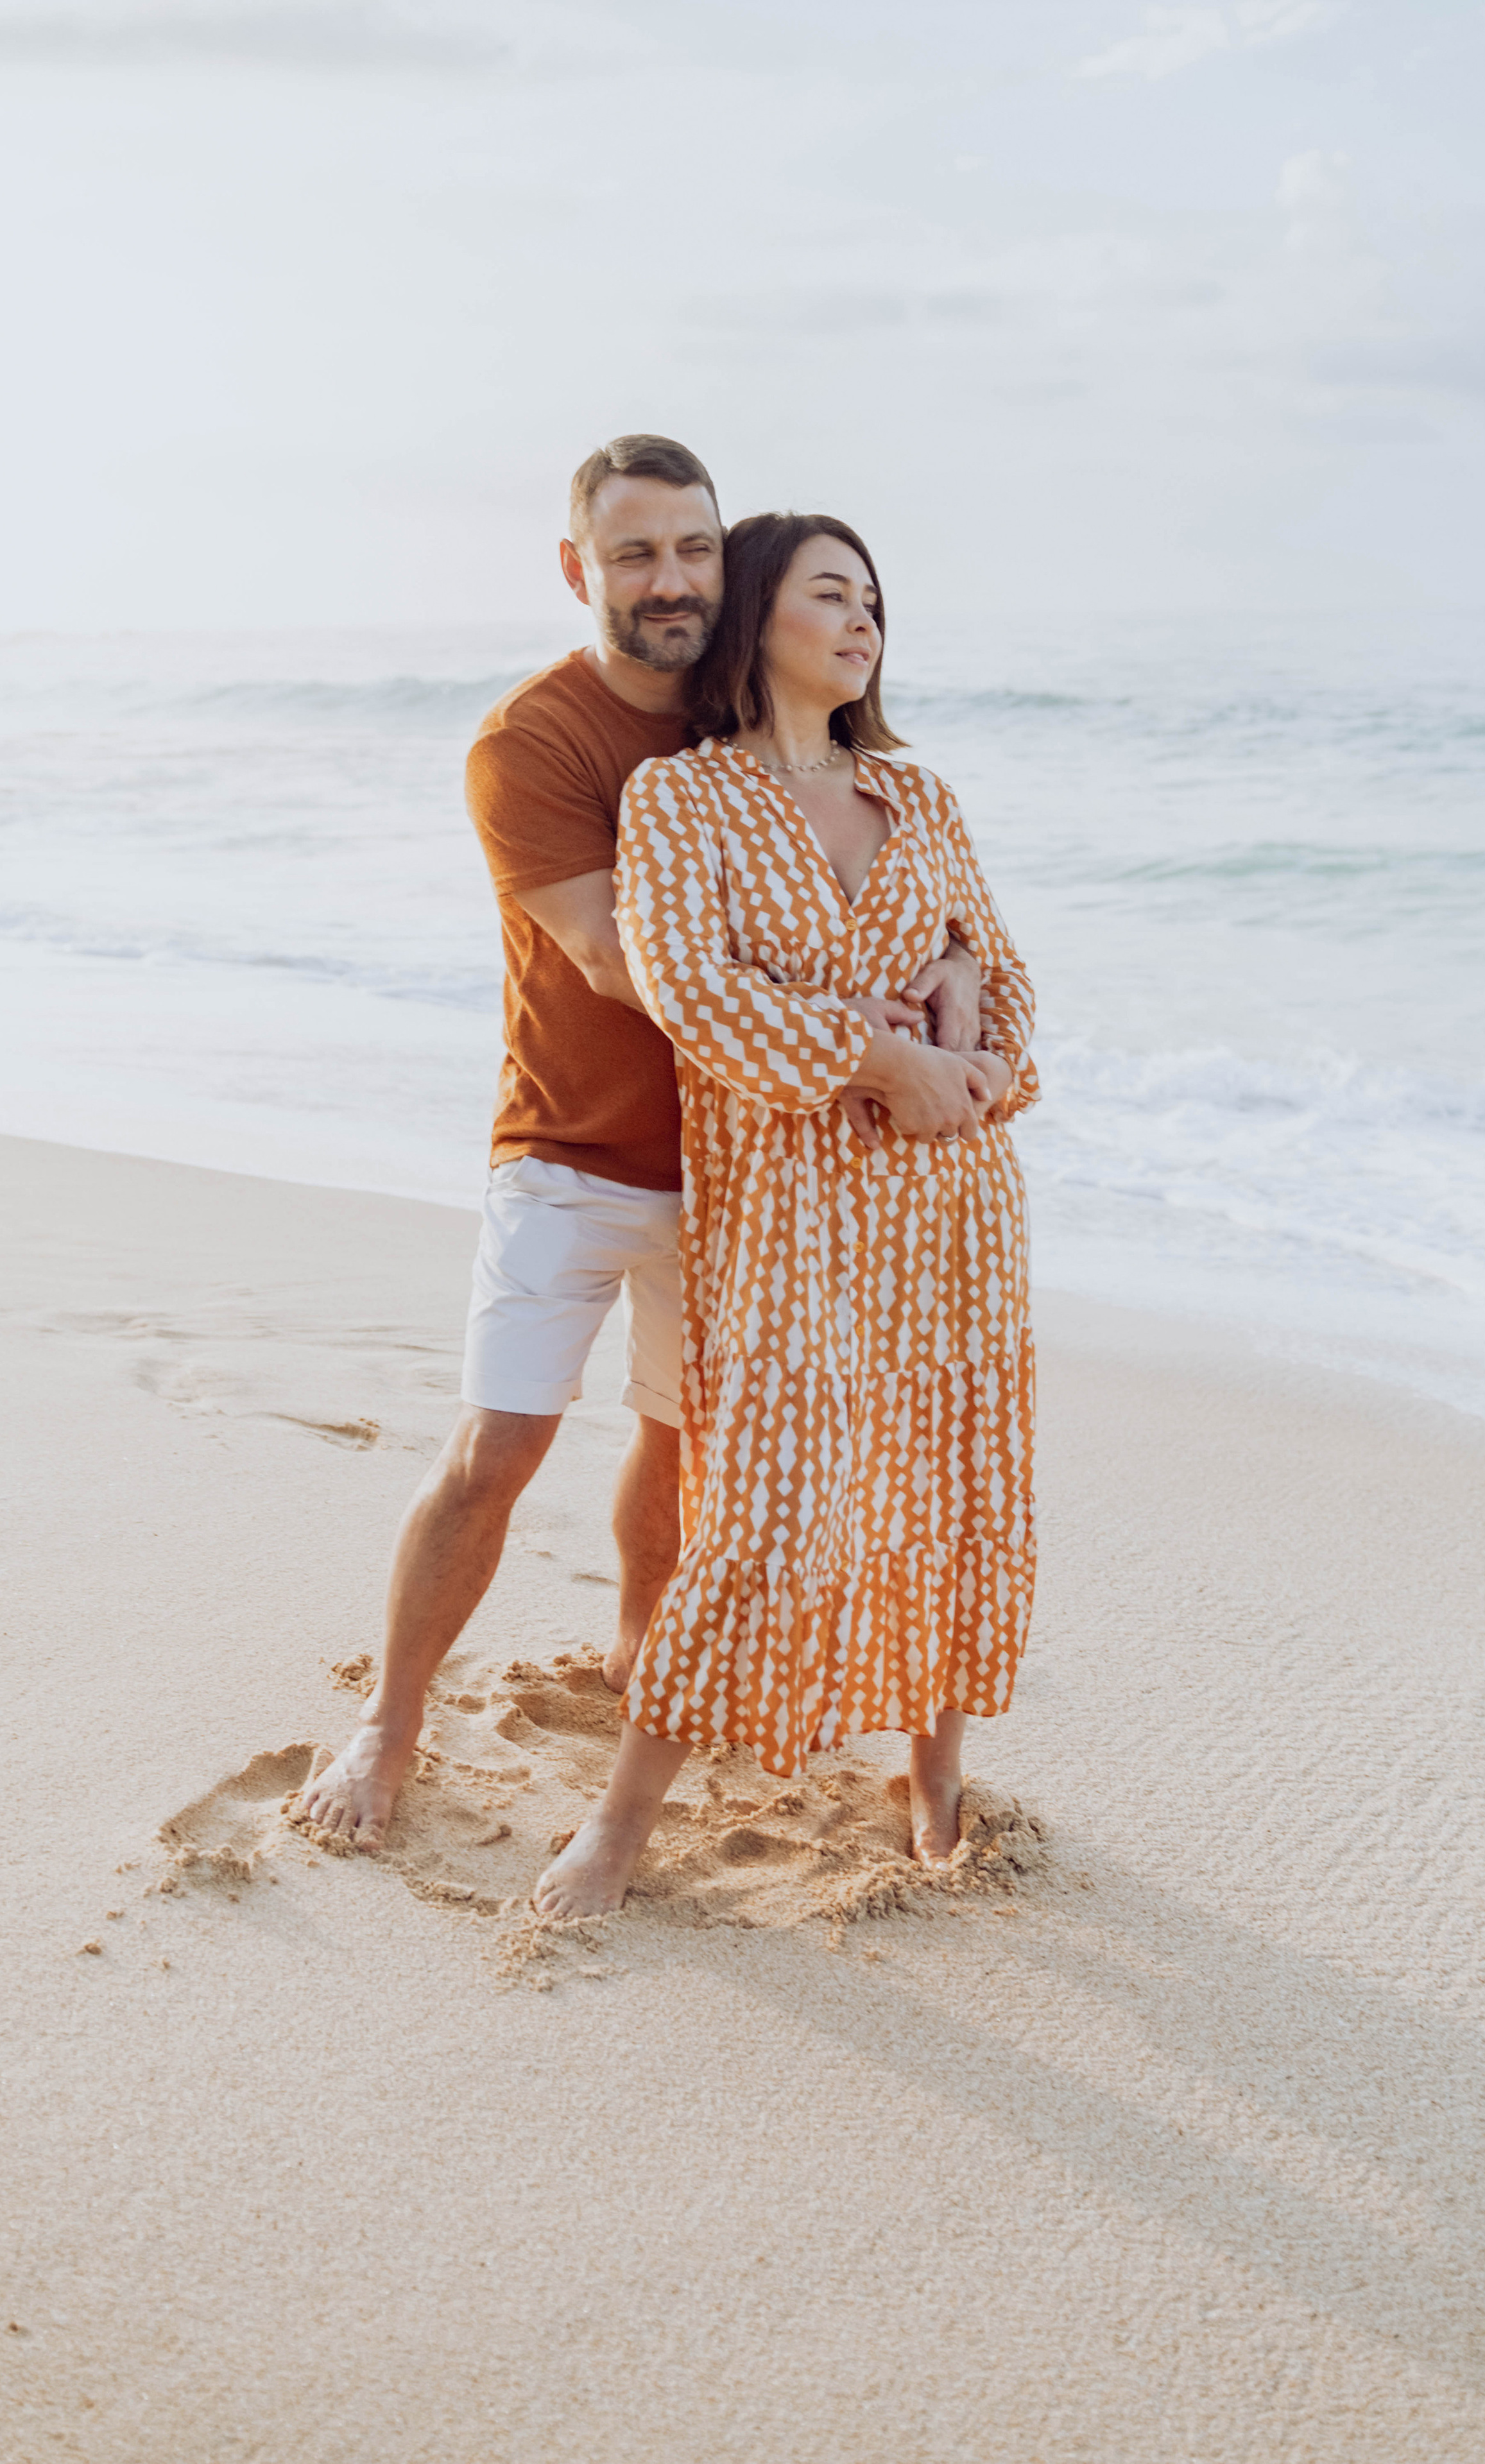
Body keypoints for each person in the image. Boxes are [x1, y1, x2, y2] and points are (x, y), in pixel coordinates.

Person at [300, 441, 981, 1851]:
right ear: (578, 570)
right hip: (571, 1148)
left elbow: (919, 896)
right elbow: (624, 958)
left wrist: (944, 1003)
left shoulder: (763, 715)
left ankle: (633, 1648)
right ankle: (393, 1718)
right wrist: (872, 1038)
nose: (667, 580)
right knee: (497, 1449)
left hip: (751, 1168)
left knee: (679, 1455)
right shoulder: (531, 744)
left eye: (691, 551)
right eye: (632, 554)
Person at [532, 511, 1039, 1920]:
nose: (863, 616)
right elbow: (692, 994)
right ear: (757, 617)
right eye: (830, 592)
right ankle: (622, 1824)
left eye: (874, 595)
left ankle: (933, 1779)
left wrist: (976, 1056)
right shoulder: (684, 802)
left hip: (947, 1209)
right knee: (756, 1511)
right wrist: (865, 1047)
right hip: (788, 1211)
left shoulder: (919, 797)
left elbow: (1006, 975)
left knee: (945, 1490)